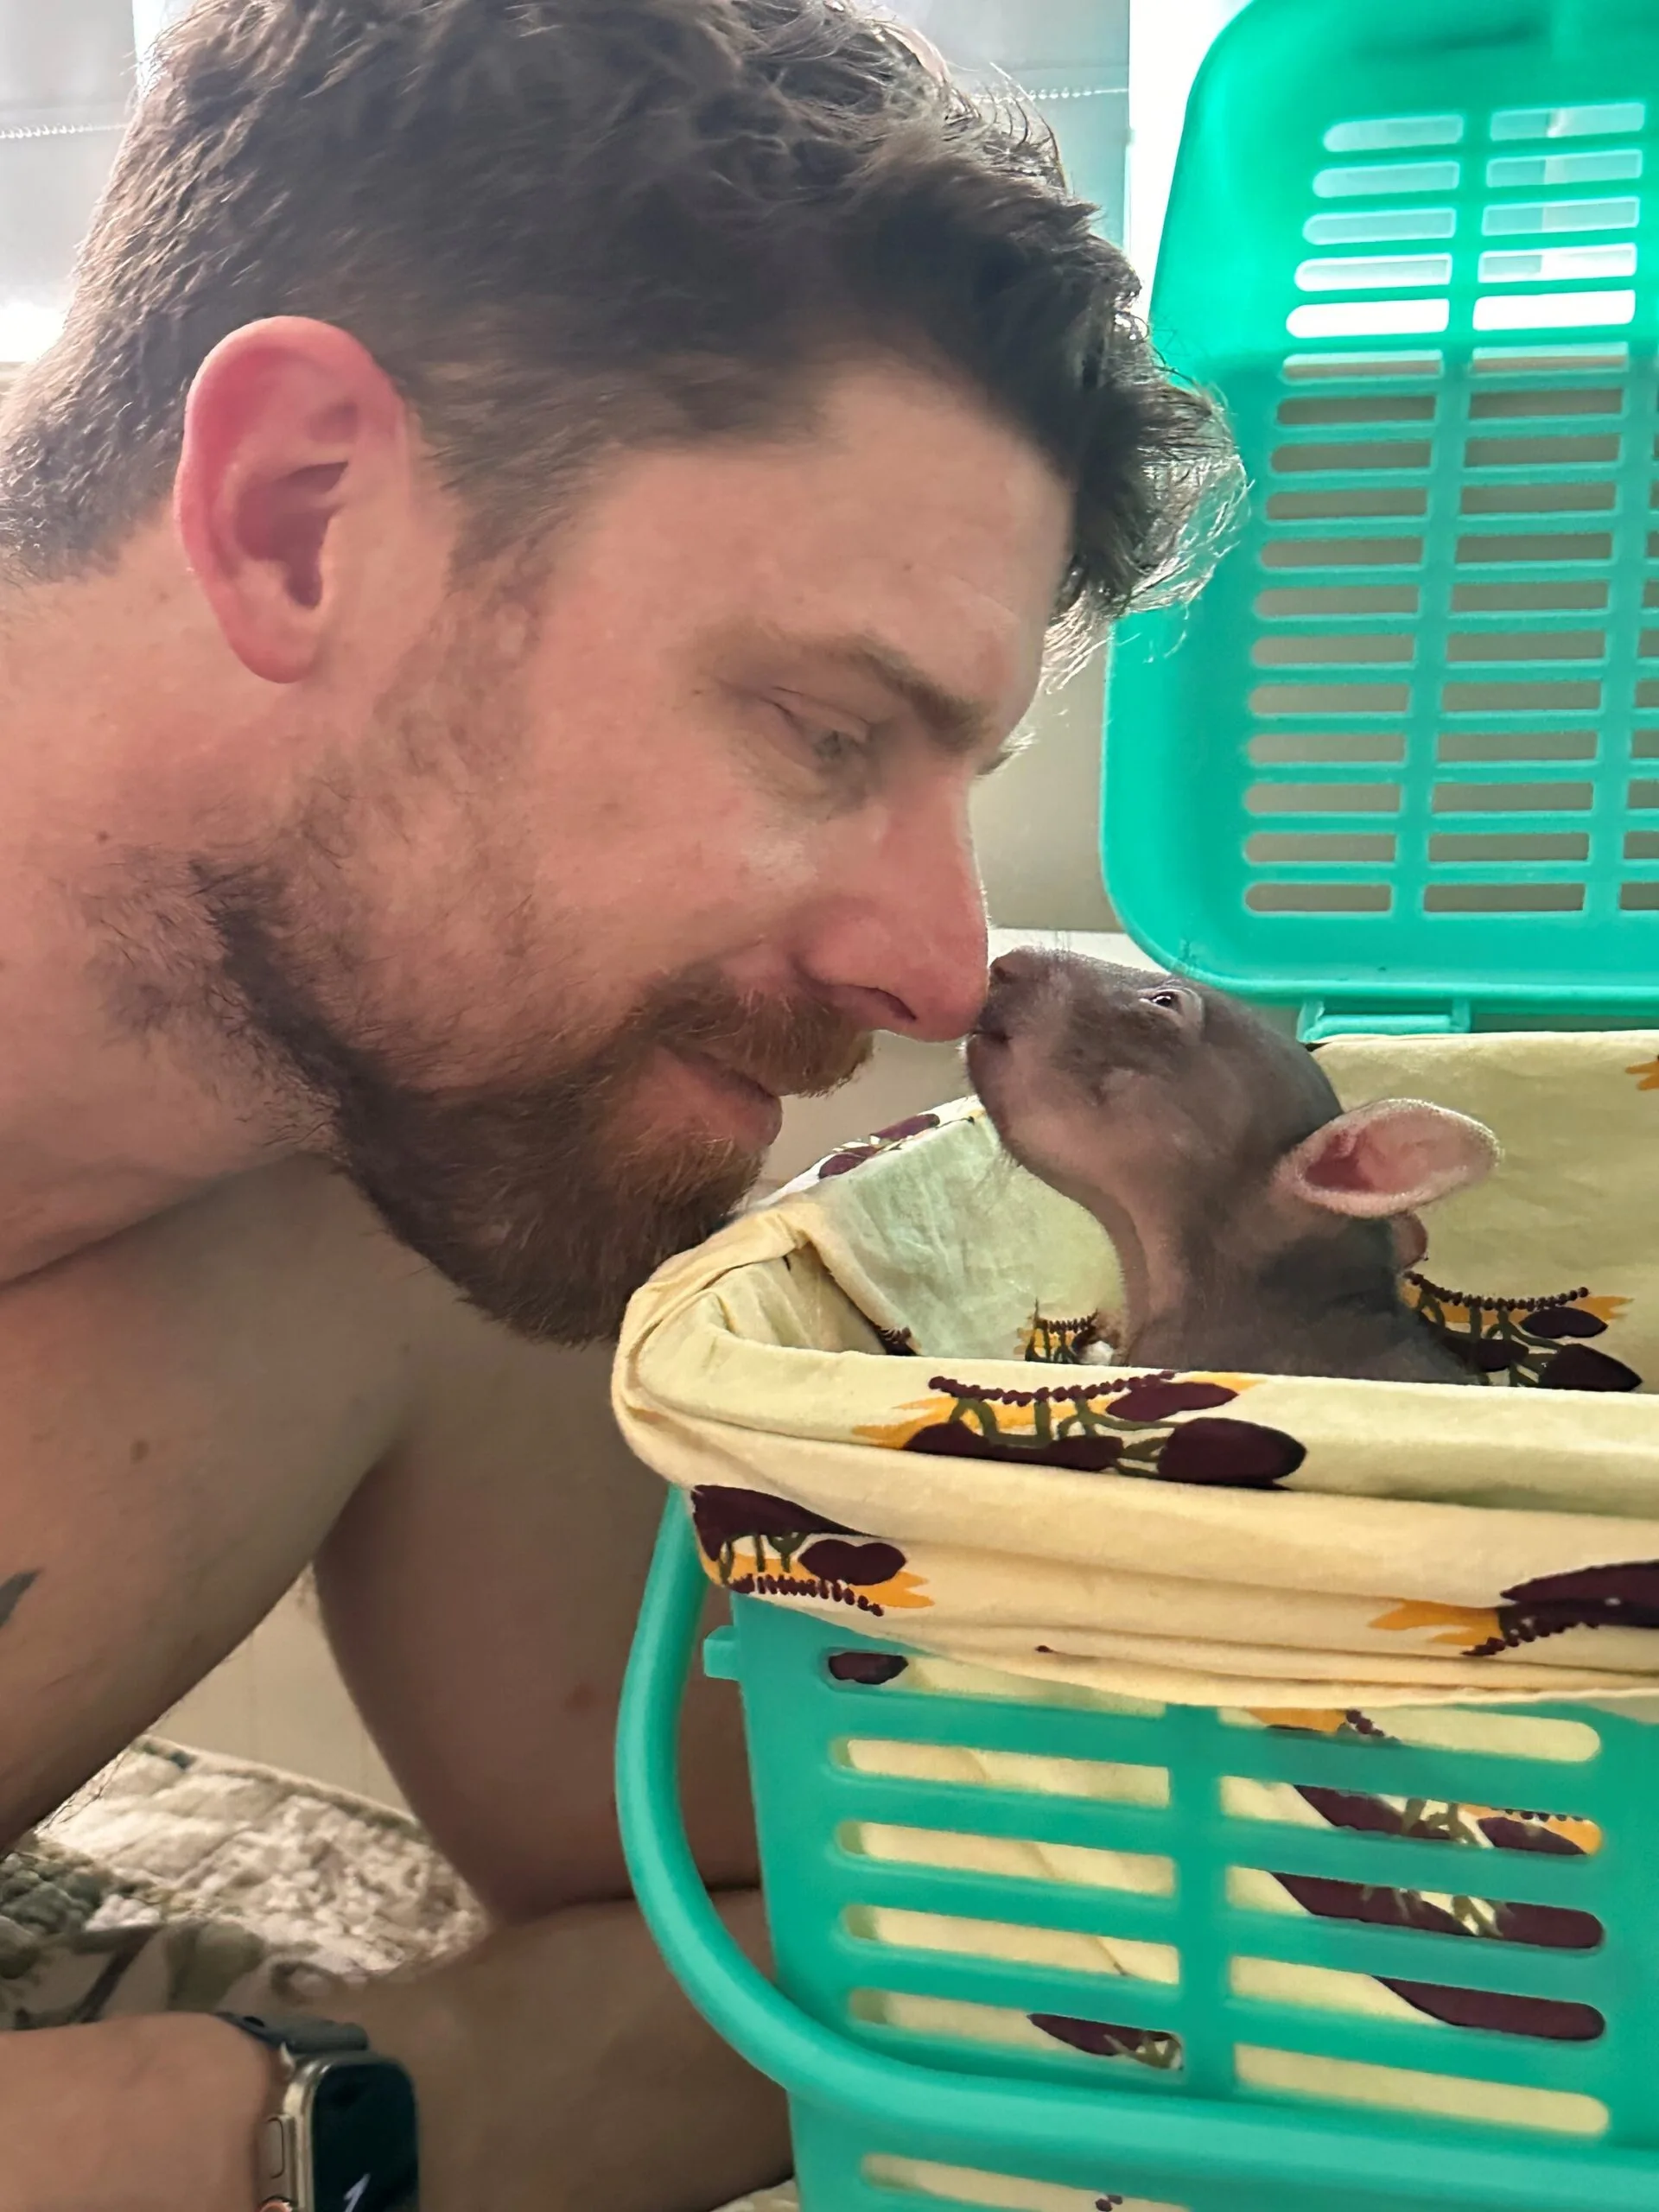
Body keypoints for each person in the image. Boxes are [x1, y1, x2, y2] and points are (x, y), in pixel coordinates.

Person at [0, 0, 1231, 2204]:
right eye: (818, 728)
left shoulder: (425, 1135)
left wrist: (275, 2130)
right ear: (298, 514)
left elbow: (838, 1952)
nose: (947, 971)